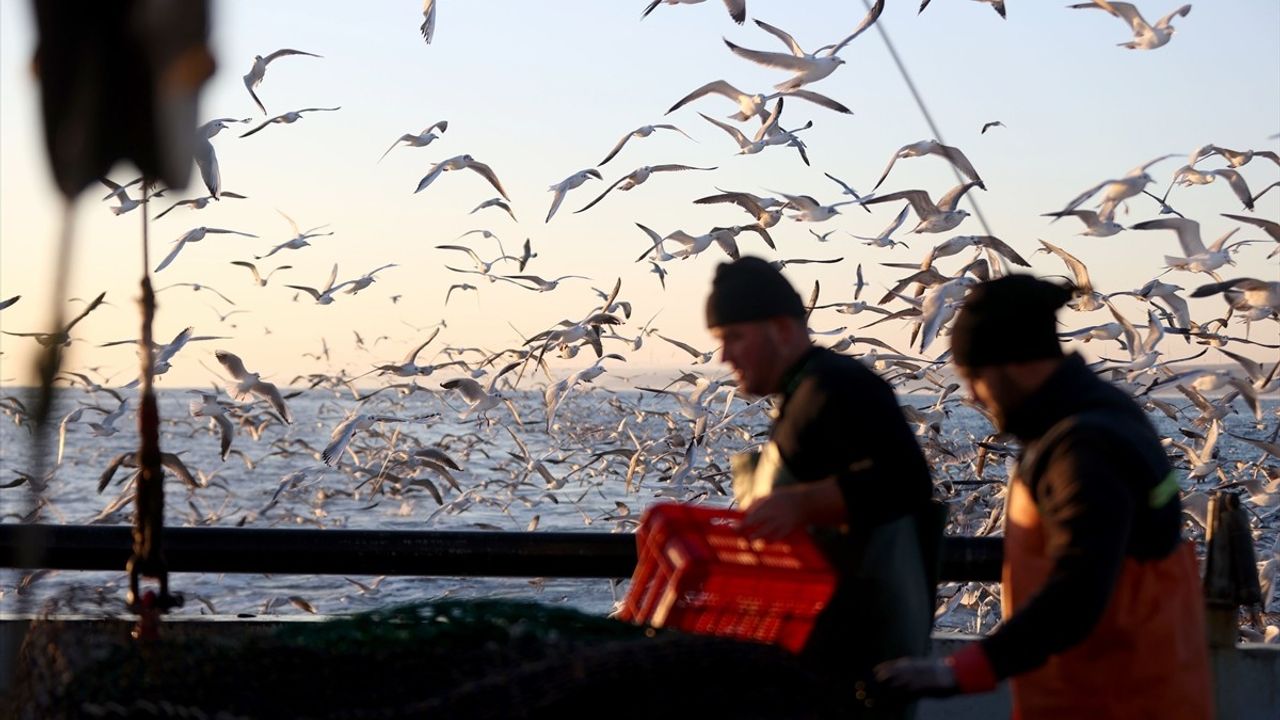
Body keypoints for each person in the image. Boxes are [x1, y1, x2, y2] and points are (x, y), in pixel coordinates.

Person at [875, 274, 1213, 719]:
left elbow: (1081, 584)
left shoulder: (1084, 447)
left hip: (1114, 701)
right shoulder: (1101, 412)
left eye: (974, 377)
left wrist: (961, 671)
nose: (972, 396)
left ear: (1012, 364)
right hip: (1118, 691)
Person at [705, 256, 940, 719]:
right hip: (807, 659)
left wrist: (804, 503)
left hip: (856, 669)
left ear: (783, 330)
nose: (723, 357)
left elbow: (907, 481)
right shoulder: (801, 393)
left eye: (734, 337)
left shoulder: (838, 386)